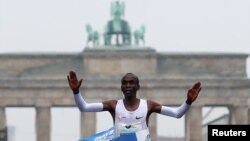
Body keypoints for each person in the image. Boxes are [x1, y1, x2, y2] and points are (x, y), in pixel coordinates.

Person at [67, 70, 202, 139]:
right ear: (121, 87)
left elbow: (177, 113)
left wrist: (188, 102)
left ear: (138, 87)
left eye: (132, 83)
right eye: (125, 83)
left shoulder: (148, 105)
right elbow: (84, 107)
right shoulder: (113, 105)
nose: (128, 86)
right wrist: (76, 91)